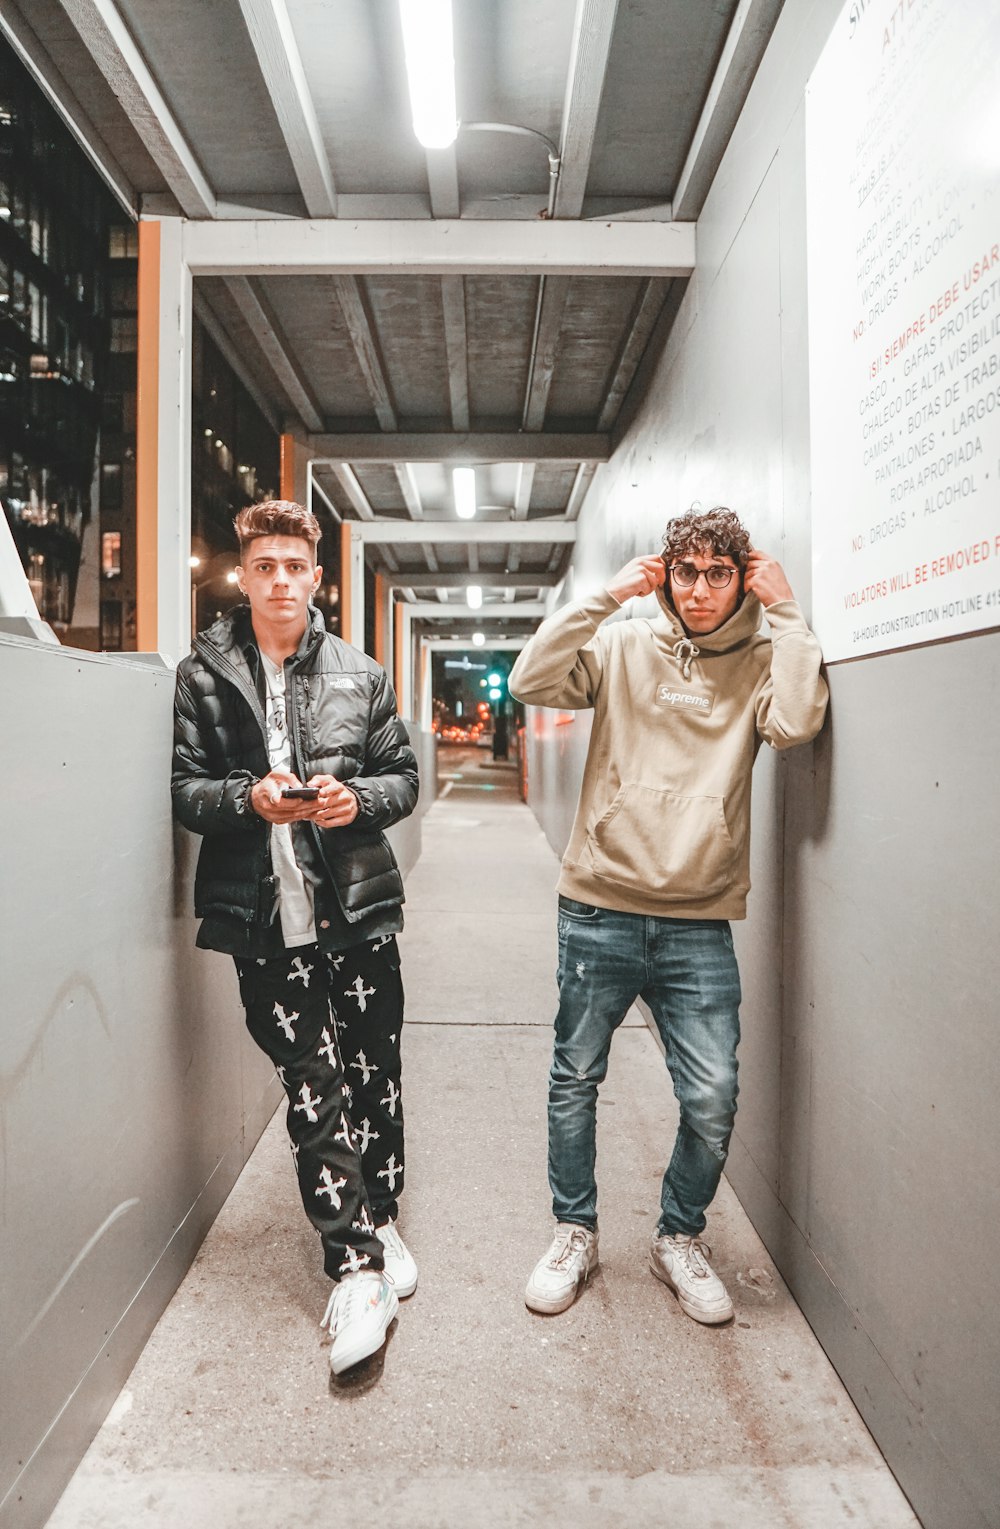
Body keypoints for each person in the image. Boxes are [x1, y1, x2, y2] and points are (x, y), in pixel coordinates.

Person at [509, 507, 828, 1325]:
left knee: (714, 1094)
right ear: (666, 572)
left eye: (719, 573)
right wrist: (603, 598)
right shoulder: (621, 643)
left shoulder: (762, 653)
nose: (699, 589)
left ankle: (678, 1236)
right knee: (574, 1077)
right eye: (685, 571)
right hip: (599, 904)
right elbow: (531, 680)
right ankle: (573, 1230)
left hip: (698, 917)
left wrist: (787, 611)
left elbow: (794, 722)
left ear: (742, 576)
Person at [172, 500, 419, 1376]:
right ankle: (354, 1266)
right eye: (264, 565)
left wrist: (362, 801)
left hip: (356, 908)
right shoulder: (204, 673)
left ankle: (381, 1212)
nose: (280, 579)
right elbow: (187, 788)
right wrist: (248, 799)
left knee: (372, 1072)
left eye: (294, 565)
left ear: (317, 577)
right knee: (311, 1085)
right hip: (262, 920)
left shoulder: (362, 671)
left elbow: (403, 776)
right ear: (246, 575)